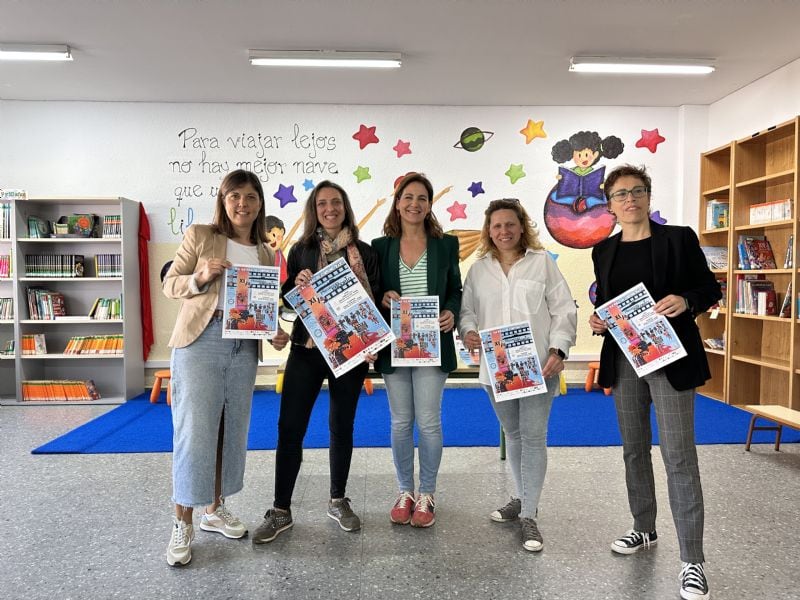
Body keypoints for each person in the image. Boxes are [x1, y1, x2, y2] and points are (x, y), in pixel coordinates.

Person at [588, 164, 720, 600]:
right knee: (633, 449)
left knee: (679, 455)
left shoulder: (677, 238)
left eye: (637, 191)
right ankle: (643, 528)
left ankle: (692, 561)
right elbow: (609, 303)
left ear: (648, 195)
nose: (630, 199)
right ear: (610, 206)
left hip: (671, 358)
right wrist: (599, 319)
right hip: (625, 361)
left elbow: (707, 289)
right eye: (621, 194)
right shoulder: (603, 252)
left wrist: (686, 300)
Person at [162, 169, 289, 566]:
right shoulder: (202, 236)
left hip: (243, 348)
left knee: (230, 429)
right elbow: (170, 283)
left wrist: (273, 333)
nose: (242, 204)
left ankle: (214, 510)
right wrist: (200, 276)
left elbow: (260, 307)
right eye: (235, 196)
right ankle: (182, 520)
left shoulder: (266, 253)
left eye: (250, 197)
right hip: (201, 341)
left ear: (259, 204)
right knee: (194, 430)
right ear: (223, 199)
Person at [252, 180, 380, 543]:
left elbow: (375, 303)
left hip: (351, 353)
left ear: (345, 207)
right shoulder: (301, 249)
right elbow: (289, 300)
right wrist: (297, 284)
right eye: (322, 203)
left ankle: (338, 500)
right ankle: (281, 509)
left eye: (336, 202)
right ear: (314, 209)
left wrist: (374, 340)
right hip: (307, 349)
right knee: (289, 427)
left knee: (342, 425)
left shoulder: (365, 253)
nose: (330, 209)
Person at [459, 198, 577, 551]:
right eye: (496, 226)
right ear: (488, 231)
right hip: (497, 368)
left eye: (510, 224)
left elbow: (563, 309)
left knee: (533, 436)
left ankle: (529, 514)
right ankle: (518, 496)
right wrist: (467, 332)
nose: (504, 231)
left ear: (522, 226)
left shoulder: (542, 264)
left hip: (539, 365)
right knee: (512, 434)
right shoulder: (479, 270)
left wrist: (559, 349)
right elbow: (467, 313)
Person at [371, 172, 462, 528]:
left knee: (428, 422)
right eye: (408, 197)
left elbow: (456, 288)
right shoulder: (380, 245)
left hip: (432, 346)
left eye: (422, 198)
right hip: (395, 345)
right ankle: (405, 490)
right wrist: (381, 297)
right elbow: (372, 288)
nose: (414, 204)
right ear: (397, 202)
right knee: (400, 422)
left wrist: (451, 312)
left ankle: (427, 493)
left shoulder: (446, 245)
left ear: (429, 204)